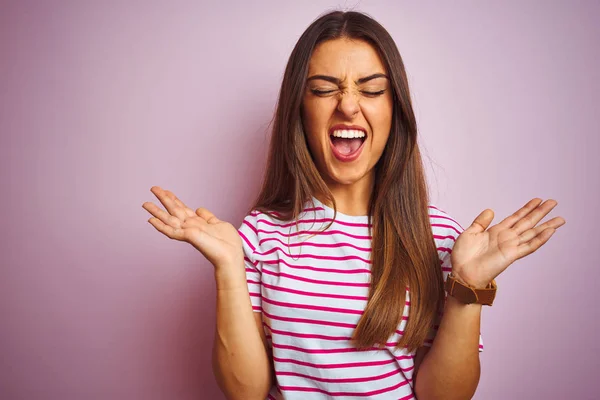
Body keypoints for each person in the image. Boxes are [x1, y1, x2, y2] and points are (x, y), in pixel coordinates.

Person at [142, 10, 565, 400]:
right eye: (325, 90)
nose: (347, 105)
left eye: (372, 89)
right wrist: (228, 268)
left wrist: (467, 289)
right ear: (300, 111)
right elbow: (246, 391)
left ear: (393, 109)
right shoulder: (257, 235)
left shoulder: (440, 239)